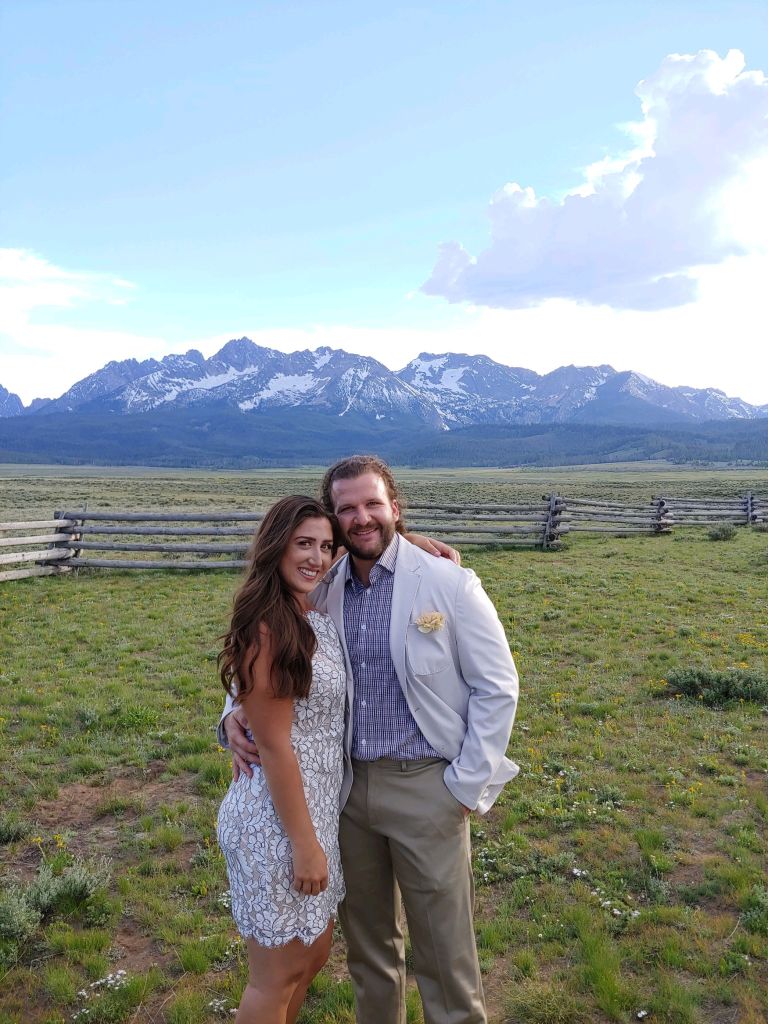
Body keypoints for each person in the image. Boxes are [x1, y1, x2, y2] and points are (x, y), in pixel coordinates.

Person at [221, 456, 519, 1024]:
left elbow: (498, 687)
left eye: (372, 504)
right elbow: (269, 650)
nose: (361, 518)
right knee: (369, 950)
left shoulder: (445, 582)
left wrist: (464, 786)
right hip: (346, 795)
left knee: (445, 955)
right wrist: (232, 713)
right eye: (347, 509)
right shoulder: (323, 584)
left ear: (394, 508)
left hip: (427, 786)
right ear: (334, 520)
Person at [216, 496, 346, 1024]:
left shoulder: (306, 610)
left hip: (316, 812)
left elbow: (372, 541)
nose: (317, 558)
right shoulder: (267, 626)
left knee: (310, 960)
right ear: (276, 547)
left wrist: (418, 544)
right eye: (303, 544)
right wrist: (304, 844)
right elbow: (273, 744)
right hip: (277, 822)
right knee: (276, 977)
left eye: (326, 546)